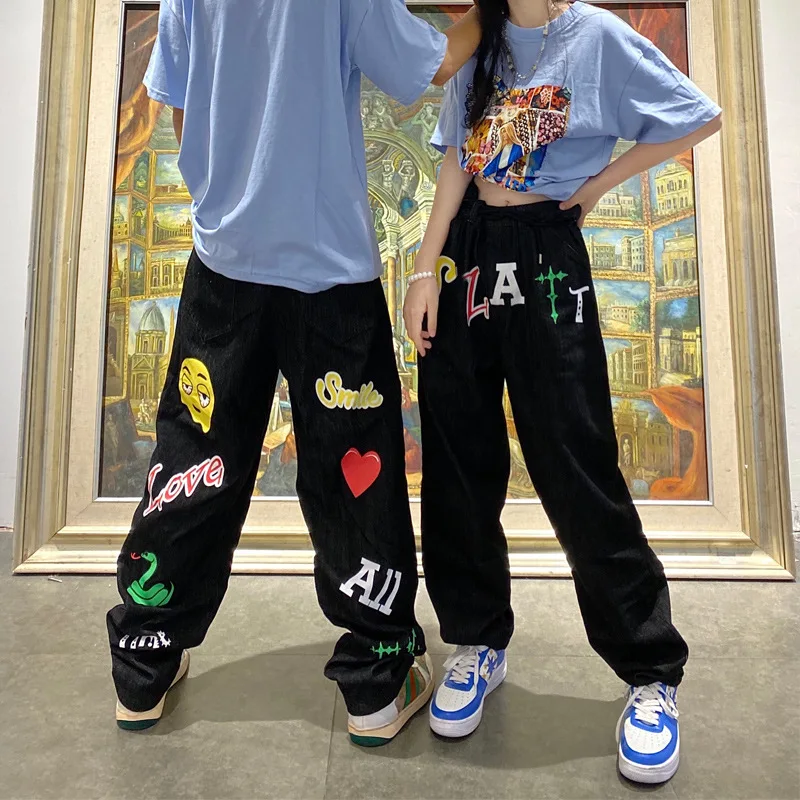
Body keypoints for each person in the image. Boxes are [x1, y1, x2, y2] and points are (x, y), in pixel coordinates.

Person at [107, 0, 481, 747]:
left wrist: (227, 199)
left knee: (194, 460)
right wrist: (492, 10)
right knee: (353, 474)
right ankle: (376, 681)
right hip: (329, 272)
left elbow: (178, 106)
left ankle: (144, 663)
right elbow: (433, 64)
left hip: (224, 263)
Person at [403, 0, 721, 783]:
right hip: (468, 252)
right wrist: (423, 268)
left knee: (575, 460)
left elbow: (697, 117)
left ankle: (650, 672)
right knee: (458, 458)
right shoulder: (480, 40)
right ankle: (477, 640)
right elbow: (457, 160)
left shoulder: (596, 37)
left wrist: (600, 183)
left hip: (546, 249)